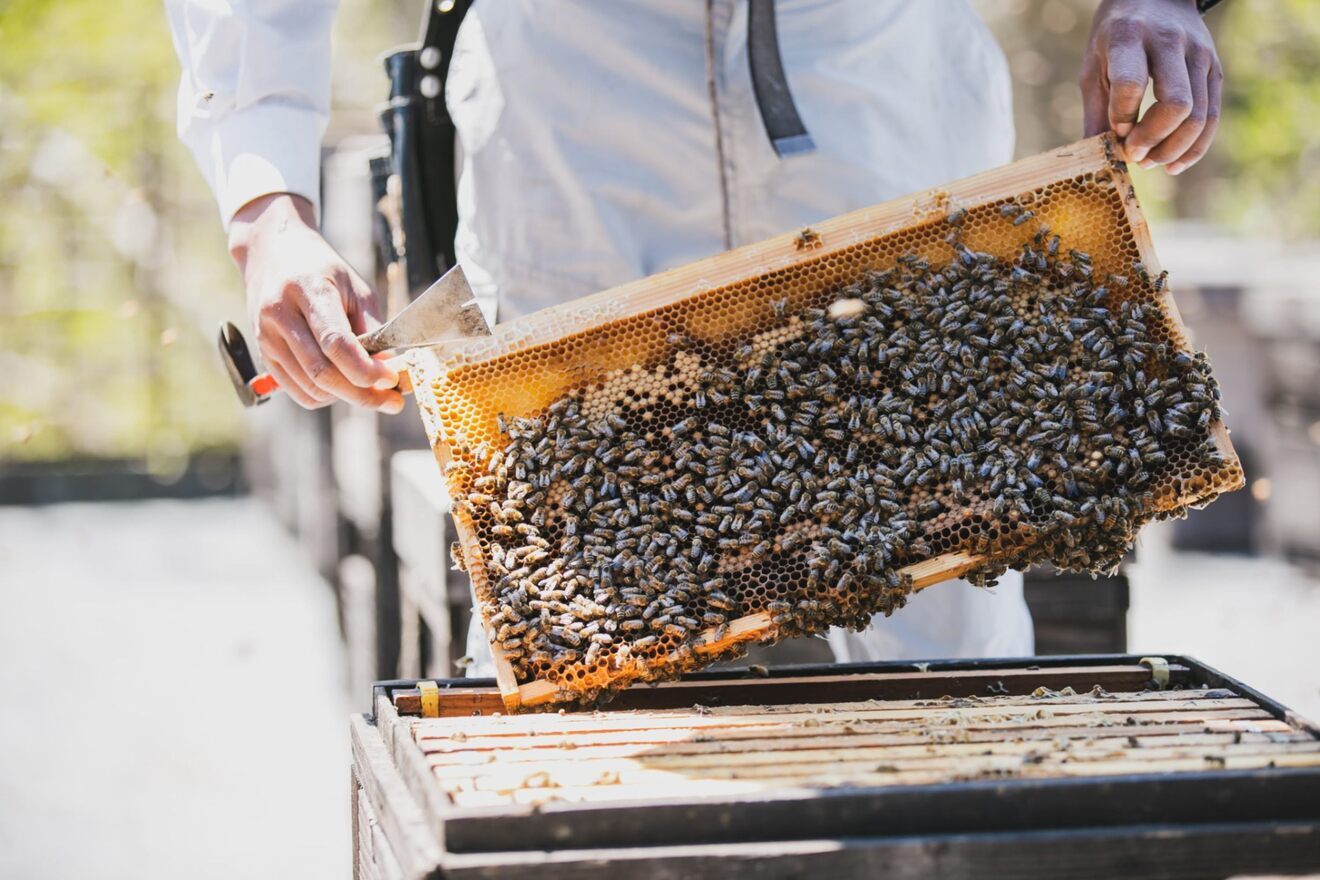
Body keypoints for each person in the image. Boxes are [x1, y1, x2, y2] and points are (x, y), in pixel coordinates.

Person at [166, 0, 1223, 668]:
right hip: (572, 103)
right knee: (583, 622)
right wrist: (265, 197)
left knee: (948, 609)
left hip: (878, 69)